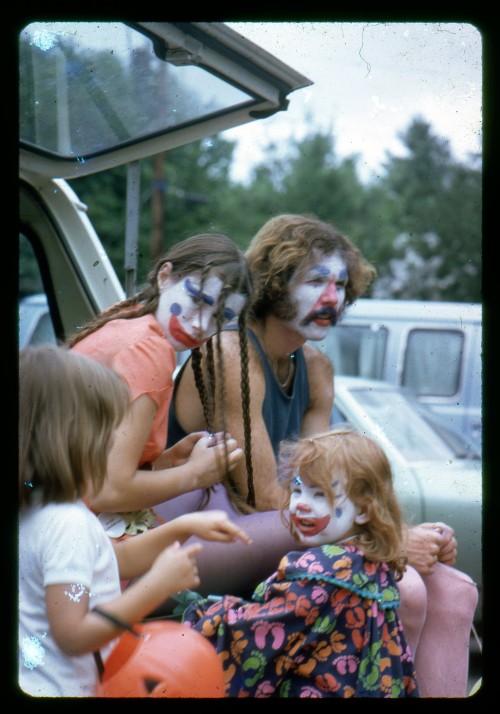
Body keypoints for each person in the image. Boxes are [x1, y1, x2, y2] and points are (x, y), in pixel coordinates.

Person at [156, 214, 478, 697]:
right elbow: (263, 497)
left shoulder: (317, 367)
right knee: (404, 585)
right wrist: (389, 540)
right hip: (207, 534)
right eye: (316, 281)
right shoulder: (229, 354)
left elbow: (329, 481)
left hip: (278, 530)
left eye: (341, 284)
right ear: (273, 282)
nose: (333, 298)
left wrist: (394, 534)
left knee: (456, 592)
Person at [18, 345, 251, 697]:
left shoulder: (41, 510)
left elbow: (111, 560)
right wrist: (154, 587)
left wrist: (182, 528)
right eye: (107, 438)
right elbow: (73, 635)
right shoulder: (66, 524)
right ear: (68, 440)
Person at [183, 429, 419, 698]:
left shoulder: (320, 573)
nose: (302, 505)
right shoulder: (370, 565)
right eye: (297, 490)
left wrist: (208, 615)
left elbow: (260, 633)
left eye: (320, 495)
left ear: (364, 510)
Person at [66, 233, 254, 536]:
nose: (201, 325)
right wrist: (194, 475)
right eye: (197, 300)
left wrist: (168, 462)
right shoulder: (150, 350)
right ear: (165, 276)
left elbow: (93, 465)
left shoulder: (127, 318)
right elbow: (107, 490)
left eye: (221, 317)